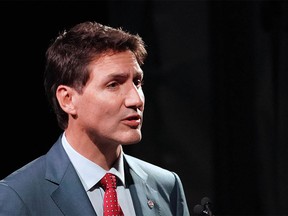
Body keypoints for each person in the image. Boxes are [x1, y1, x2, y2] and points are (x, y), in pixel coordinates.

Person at [0, 21, 190, 216]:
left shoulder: (167, 186)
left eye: (137, 82)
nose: (136, 99)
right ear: (68, 99)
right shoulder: (18, 196)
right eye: (113, 84)